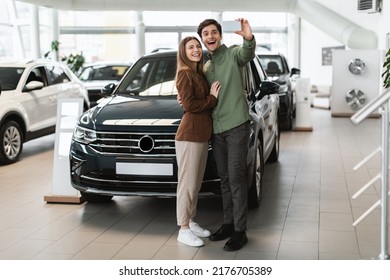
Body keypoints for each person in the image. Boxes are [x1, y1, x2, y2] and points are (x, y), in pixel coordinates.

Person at [197, 18, 256, 251]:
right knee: (224, 178)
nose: (210, 36)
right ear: (202, 38)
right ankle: (229, 223)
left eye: (213, 32)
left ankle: (241, 231)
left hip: (236, 125)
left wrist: (248, 37)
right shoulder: (205, 65)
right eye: (205, 34)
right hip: (216, 128)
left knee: (236, 177)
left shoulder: (232, 54)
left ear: (220, 36)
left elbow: (246, 53)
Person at [175, 36, 221, 247]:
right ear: (183, 52)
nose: (195, 50)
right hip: (190, 136)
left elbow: (188, 100)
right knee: (186, 184)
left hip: (201, 135)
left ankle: (191, 221)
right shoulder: (185, 73)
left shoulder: (197, 73)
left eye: (197, 47)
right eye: (190, 47)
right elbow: (190, 106)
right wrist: (212, 98)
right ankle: (183, 229)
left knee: (195, 184)